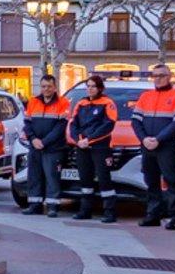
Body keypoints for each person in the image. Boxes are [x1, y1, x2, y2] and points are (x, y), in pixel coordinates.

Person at [132, 63, 175, 230]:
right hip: (147, 146)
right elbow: (136, 120)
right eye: (155, 76)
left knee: (172, 182)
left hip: (166, 146)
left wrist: (158, 139)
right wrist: (143, 139)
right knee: (151, 182)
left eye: (161, 75)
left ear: (169, 76)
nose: (158, 79)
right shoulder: (146, 96)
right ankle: (153, 215)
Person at [68, 75, 119, 223]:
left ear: (100, 88)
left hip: (100, 147)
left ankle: (110, 212)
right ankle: (85, 210)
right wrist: (78, 140)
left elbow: (108, 125)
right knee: (85, 180)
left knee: (104, 179)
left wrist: (89, 140)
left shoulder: (108, 103)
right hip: (82, 147)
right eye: (88, 86)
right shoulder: (81, 103)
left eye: (93, 86)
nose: (90, 89)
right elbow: (73, 124)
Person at [21, 74, 70, 217]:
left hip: (53, 148)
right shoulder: (33, 102)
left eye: (49, 86)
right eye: (43, 86)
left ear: (55, 87)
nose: (46, 89)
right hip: (35, 146)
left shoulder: (63, 102)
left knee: (52, 177)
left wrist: (44, 142)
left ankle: (52, 206)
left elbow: (60, 127)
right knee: (34, 176)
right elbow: (27, 124)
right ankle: (34, 205)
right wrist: (33, 139)